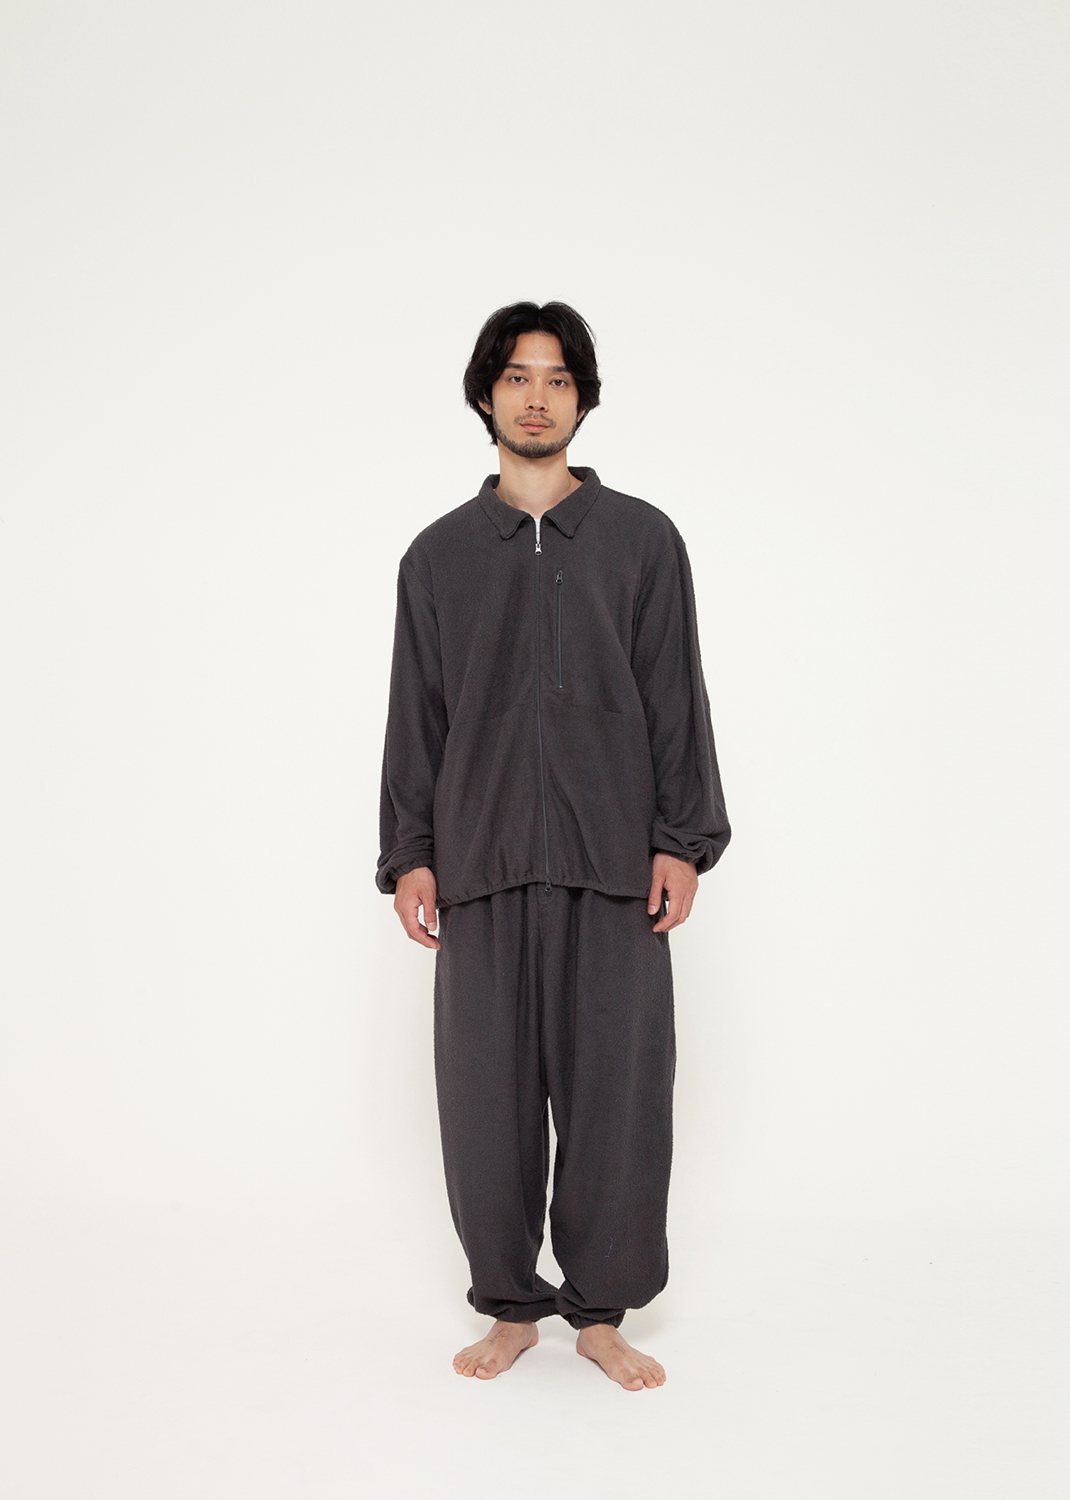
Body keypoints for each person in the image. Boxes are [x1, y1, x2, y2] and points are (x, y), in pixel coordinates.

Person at [376, 301, 730, 1391]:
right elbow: (416, 714)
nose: (537, 397)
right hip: (481, 865)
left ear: (582, 398)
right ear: (486, 395)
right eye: (518, 377)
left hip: (615, 866)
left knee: (617, 1097)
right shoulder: (438, 557)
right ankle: (510, 1306)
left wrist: (680, 840)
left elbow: (675, 697)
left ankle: (600, 1312)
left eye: (559, 378)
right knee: (484, 1101)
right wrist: (412, 852)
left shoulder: (642, 541)